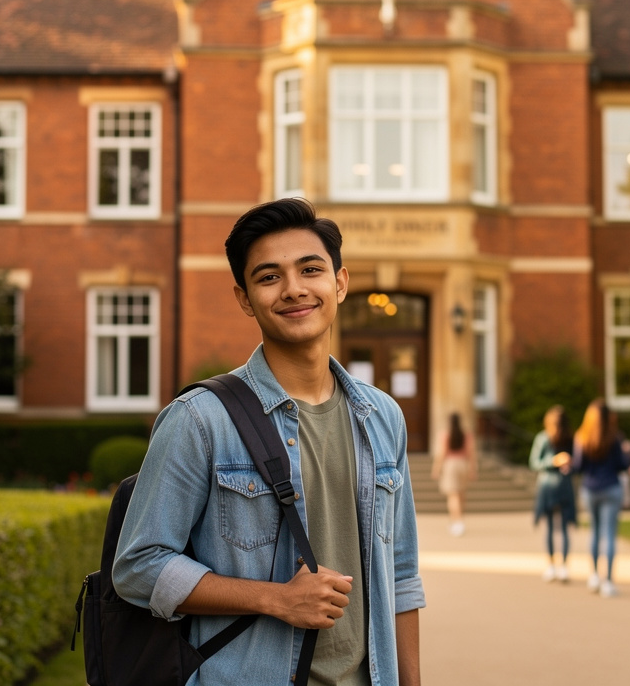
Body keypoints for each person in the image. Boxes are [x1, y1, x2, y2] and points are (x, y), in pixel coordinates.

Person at [113, 198, 425, 685]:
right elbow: (137, 567)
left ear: (340, 283)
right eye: (269, 276)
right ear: (244, 298)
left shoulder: (383, 416)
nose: (294, 289)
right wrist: (275, 598)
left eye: (310, 269)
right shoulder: (200, 420)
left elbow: (401, 576)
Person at [574, 398, 630, 598]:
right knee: (609, 535)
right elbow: (622, 464)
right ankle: (608, 580)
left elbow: (578, 466)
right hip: (611, 488)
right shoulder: (614, 438)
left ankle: (593, 575)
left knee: (594, 532)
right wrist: (627, 455)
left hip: (590, 489)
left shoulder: (582, 437)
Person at [529, 405, 577, 582]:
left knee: (564, 528)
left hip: (564, 486)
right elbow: (534, 462)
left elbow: (578, 464)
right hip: (547, 487)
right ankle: (551, 564)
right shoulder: (543, 438)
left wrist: (569, 464)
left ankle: (563, 565)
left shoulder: (570, 439)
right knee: (549, 528)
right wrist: (553, 461)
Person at [431, 412, 476, 537]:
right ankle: (459, 520)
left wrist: (436, 469)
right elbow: (471, 453)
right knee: (461, 494)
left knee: (453, 495)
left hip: (450, 465)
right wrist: (472, 469)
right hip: (463, 464)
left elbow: (442, 453)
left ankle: (457, 522)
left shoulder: (445, 434)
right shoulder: (467, 435)